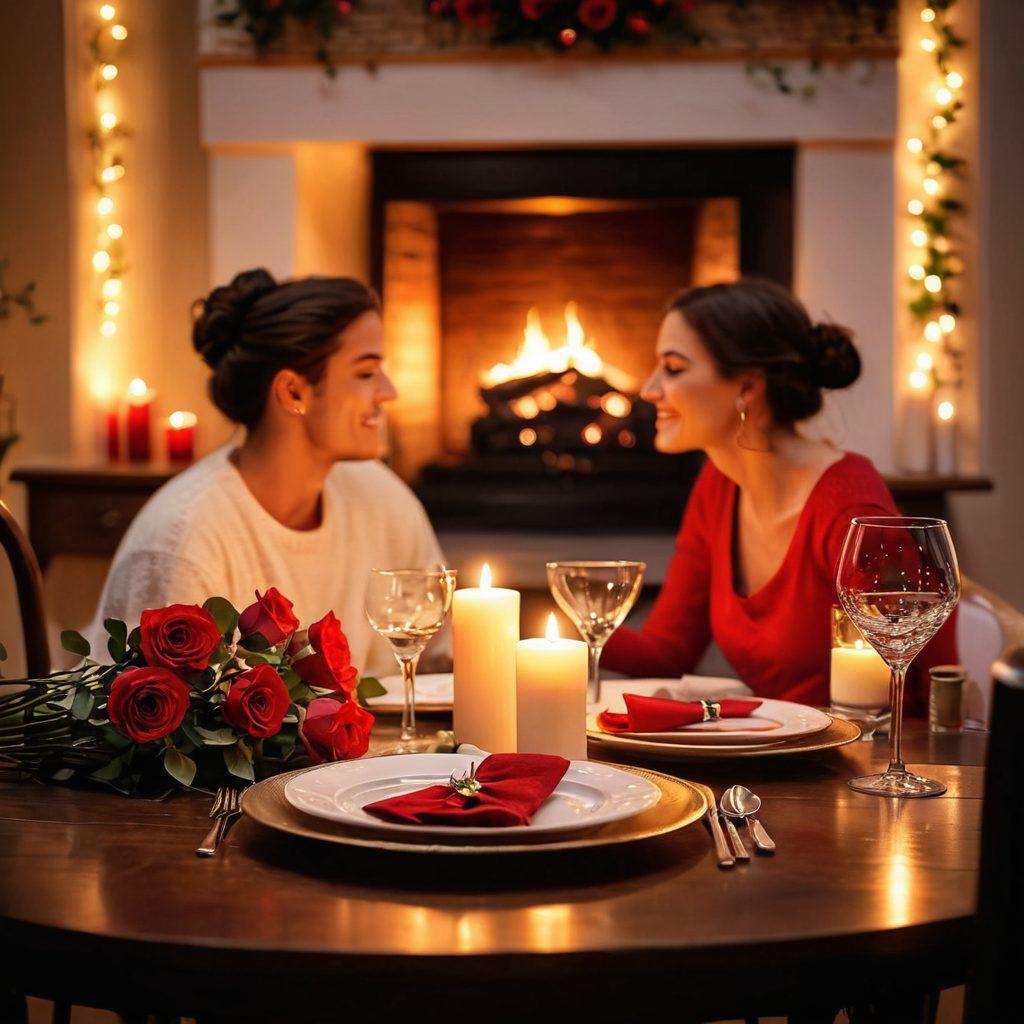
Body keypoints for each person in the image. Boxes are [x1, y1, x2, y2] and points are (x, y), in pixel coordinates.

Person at [602, 278, 956, 707]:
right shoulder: (719, 485)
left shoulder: (850, 510)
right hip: (780, 757)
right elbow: (668, 648)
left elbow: (926, 688)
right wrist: (554, 633)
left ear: (747, 388)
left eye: (674, 368)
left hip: (862, 765)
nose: (648, 389)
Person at [86, 269, 448, 678]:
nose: (388, 391)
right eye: (365, 373)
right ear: (293, 391)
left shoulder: (381, 497)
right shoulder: (185, 539)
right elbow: (134, 721)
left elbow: (439, 658)